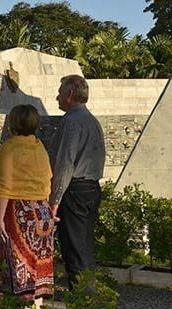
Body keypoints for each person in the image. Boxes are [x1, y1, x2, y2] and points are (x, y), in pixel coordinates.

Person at [0, 104, 56, 309]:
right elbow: (48, 179)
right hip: (42, 213)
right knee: (38, 275)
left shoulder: (9, 148)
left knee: (23, 277)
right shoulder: (40, 148)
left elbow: (4, 184)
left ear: (13, 123)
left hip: (20, 213)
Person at [48, 74, 106, 290]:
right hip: (90, 189)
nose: (57, 97)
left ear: (70, 94)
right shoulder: (92, 121)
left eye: (60, 92)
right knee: (85, 249)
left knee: (74, 253)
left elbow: (65, 164)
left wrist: (55, 200)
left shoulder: (72, 122)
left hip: (74, 192)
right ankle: (88, 303)